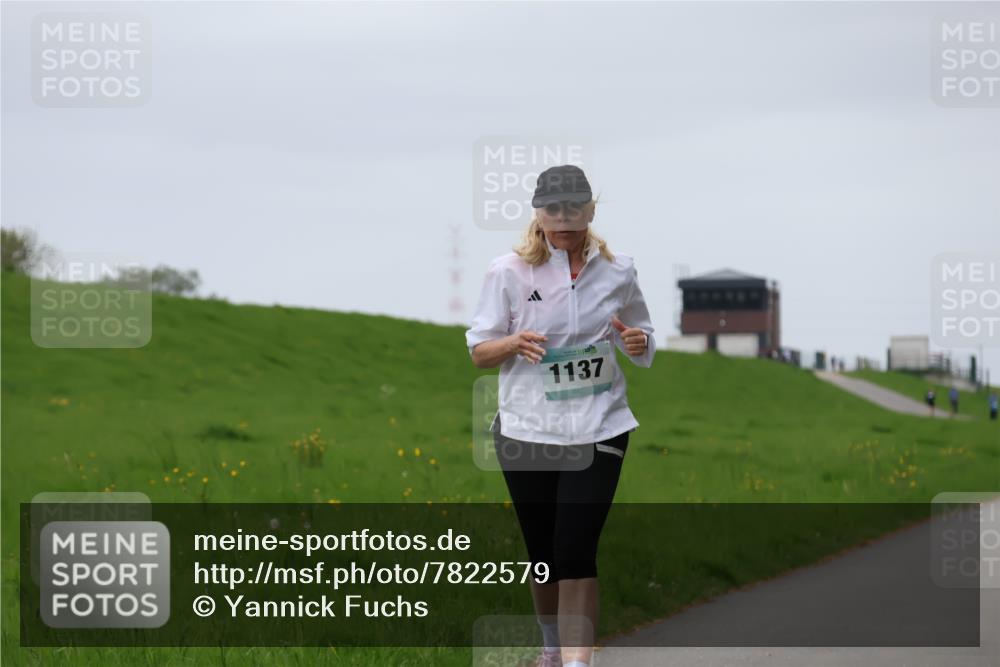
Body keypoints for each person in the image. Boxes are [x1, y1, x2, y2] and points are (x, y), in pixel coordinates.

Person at [465, 164, 655, 667]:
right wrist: (512, 342)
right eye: (554, 209)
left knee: (574, 551)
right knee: (545, 557)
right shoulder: (507, 271)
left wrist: (639, 342)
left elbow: (640, 336)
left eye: (575, 207)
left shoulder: (619, 271)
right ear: (539, 214)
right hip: (526, 429)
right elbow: (480, 352)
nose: (565, 218)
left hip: (600, 427)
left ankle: (577, 663)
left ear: (592, 210)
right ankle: (551, 651)